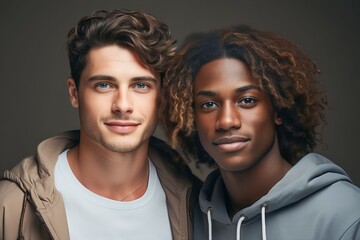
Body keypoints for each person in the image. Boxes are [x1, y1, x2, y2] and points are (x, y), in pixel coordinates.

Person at [0, 9, 200, 240]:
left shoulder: (197, 206)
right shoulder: (11, 207)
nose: (123, 105)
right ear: (74, 93)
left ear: (162, 96)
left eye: (141, 85)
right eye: (104, 85)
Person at [161, 25, 360, 240]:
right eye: (208, 104)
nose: (227, 121)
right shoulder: (189, 220)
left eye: (247, 101)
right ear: (191, 117)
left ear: (278, 110)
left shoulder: (345, 216)